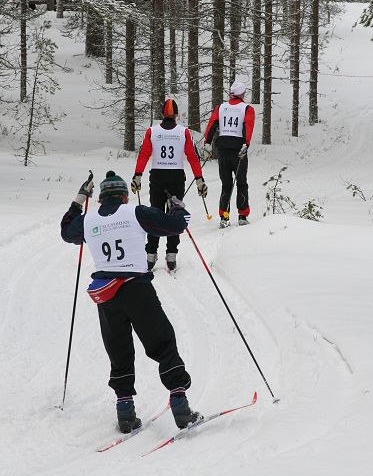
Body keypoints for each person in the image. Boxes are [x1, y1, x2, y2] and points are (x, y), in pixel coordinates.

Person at [60, 170, 201, 433]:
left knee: (119, 349)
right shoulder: (135, 212)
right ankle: (180, 406)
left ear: (101, 198)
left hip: (106, 293)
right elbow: (177, 226)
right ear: (124, 196)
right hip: (136, 288)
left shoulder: (89, 220)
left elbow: (67, 233)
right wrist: (178, 209)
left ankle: (125, 412)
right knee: (162, 342)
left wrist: (79, 200)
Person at [131, 99, 208, 271]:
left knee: (155, 214)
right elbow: (192, 157)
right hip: (176, 178)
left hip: (157, 177)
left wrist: (137, 175)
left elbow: (144, 154)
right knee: (175, 216)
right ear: (176, 115)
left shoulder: (153, 131)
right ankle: (171, 255)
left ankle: (151, 255)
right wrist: (199, 179)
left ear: (162, 114)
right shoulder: (184, 132)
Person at [203, 81, 255, 228]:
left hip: (223, 149)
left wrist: (207, 142)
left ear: (231, 94)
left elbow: (212, 124)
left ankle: (224, 217)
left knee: (226, 184)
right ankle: (242, 215)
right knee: (241, 183)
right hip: (239, 149)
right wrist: (246, 143)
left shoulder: (221, 107)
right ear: (243, 94)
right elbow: (248, 126)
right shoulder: (247, 108)